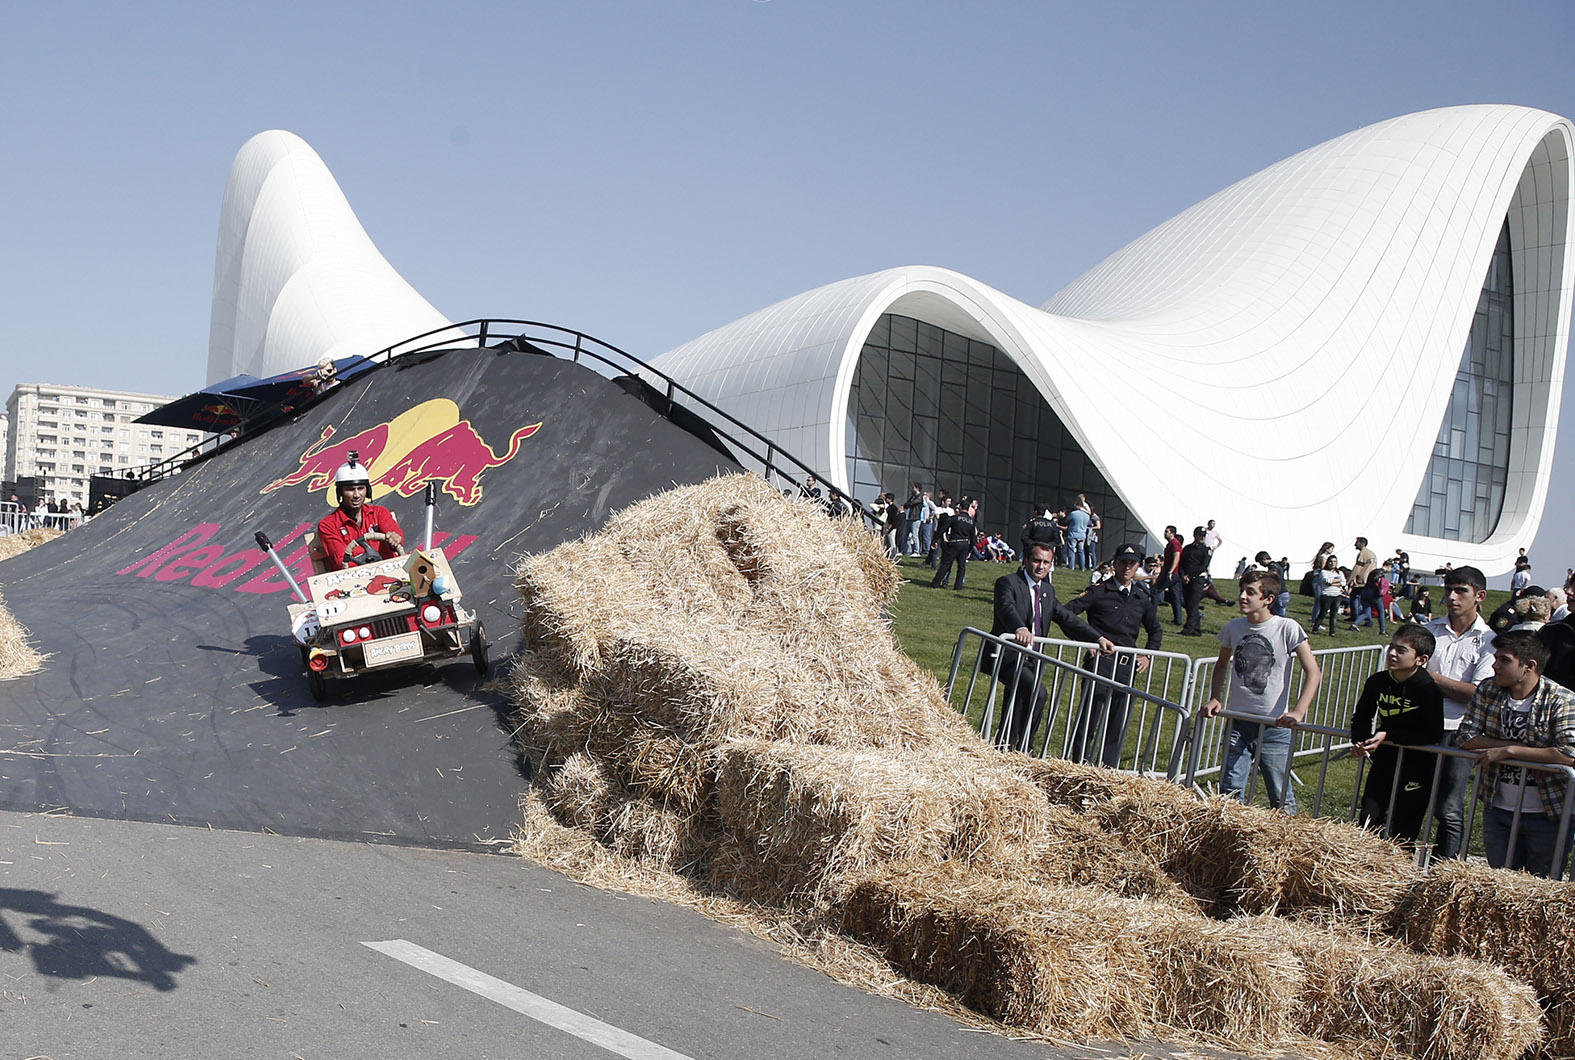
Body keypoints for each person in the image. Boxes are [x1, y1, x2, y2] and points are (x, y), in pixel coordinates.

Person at [1201, 569, 1321, 812]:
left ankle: (1288, 843)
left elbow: (1314, 671)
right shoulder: (1233, 628)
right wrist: (1215, 697)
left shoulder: (1287, 628)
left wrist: (1299, 711)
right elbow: (1222, 665)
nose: (1243, 597)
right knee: (1230, 791)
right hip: (1239, 722)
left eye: (1251, 592)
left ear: (1268, 599)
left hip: (1276, 725)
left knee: (1280, 795)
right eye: (1242, 591)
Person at [1458, 631, 1575, 878]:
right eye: (1496, 658)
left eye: (1504, 660)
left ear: (1529, 666)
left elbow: (1569, 754)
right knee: (1501, 884)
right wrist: (1509, 746)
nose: (1495, 665)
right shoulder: (1488, 690)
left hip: (1546, 813)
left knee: (1540, 887)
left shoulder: (1561, 699)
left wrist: (1510, 751)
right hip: (1498, 807)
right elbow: (1466, 735)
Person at [988, 543, 1110, 752]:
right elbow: (1005, 607)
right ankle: (1026, 746)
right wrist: (1019, 627)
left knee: (1017, 699)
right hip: (1007, 655)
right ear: (1026, 560)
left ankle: (1006, 745)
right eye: (1036, 560)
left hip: (1031, 658)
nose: (1041, 566)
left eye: (1046, 562)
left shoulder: (1047, 590)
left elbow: (1066, 618)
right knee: (1037, 692)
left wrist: (1097, 638)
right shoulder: (1008, 583)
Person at [1065, 542, 1163, 767]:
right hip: (1101, 661)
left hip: (1127, 666)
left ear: (1138, 566)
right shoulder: (1099, 592)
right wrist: (1085, 640)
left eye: (1132, 563)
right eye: (1122, 563)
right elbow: (1066, 612)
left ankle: (1109, 767)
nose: (1127, 567)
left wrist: (1148, 655)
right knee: (1090, 715)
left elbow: (1155, 630)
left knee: (1118, 719)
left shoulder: (1141, 597)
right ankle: (1079, 763)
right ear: (1114, 564)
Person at [1423, 565, 1497, 861]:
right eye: (1448, 590)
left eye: (1461, 591)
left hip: (1461, 730)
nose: (1452, 597)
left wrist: (1428, 678)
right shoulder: (1429, 631)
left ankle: (1447, 868)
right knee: (1411, 798)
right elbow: (1406, 676)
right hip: (1423, 724)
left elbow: (1477, 693)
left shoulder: (1490, 640)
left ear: (1479, 596)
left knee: (1449, 808)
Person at [1350, 623, 1444, 841]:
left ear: (1421, 659)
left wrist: (1389, 735)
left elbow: (1432, 733)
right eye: (1391, 646)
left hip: (1417, 766)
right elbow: (1362, 716)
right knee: (1368, 820)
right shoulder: (1378, 681)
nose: (1391, 653)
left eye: (1401, 650)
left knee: (1404, 827)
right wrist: (1360, 742)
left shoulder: (1428, 689)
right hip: (1384, 761)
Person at [316, 453, 405, 570]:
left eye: (361, 488)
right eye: (350, 489)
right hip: (352, 583)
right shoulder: (328, 525)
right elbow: (342, 561)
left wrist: (394, 539)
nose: (357, 495)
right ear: (340, 492)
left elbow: (398, 538)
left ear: (367, 491)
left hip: (391, 576)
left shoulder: (379, 513)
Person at [930, 497, 978, 590]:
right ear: (968, 509)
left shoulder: (954, 518)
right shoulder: (971, 521)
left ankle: (935, 583)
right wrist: (970, 549)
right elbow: (973, 537)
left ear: (960, 508)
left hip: (954, 543)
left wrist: (935, 540)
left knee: (945, 564)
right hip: (965, 544)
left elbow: (943, 529)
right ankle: (958, 586)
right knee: (961, 566)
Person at [1178, 526, 1212, 636]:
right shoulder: (1187, 548)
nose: (1202, 538)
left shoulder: (1206, 550)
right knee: (1188, 603)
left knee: (1193, 603)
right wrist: (1183, 575)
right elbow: (1182, 563)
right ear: (1195, 535)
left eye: (1203, 536)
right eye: (1200, 535)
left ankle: (1189, 628)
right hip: (1186, 579)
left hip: (1197, 579)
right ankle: (1196, 629)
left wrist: (1190, 576)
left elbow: (1203, 566)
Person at [1158, 525, 1185, 625]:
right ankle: (1178, 620)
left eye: (1166, 532)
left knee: (1155, 591)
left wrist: (1170, 571)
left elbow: (1176, 557)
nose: (1164, 534)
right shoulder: (1170, 544)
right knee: (1175, 597)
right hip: (1173, 573)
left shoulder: (1174, 544)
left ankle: (1151, 615)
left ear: (1172, 533)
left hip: (1172, 574)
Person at [1313, 556, 1345, 635]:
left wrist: (1334, 582)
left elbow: (1344, 582)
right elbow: (1327, 581)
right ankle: (1315, 628)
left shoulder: (1339, 572)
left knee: (1333, 615)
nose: (1332, 563)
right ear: (1327, 562)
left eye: (1334, 561)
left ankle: (1332, 632)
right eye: (1330, 561)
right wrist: (1338, 581)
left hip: (1337, 595)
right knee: (1323, 613)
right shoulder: (1323, 572)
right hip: (1327, 595)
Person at [1063, 502, 1091, 571]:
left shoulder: (1073, 513)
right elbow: (1088, 524)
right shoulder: (1087, 516)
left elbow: (1067, 521)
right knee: (1081, 551)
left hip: (1073, 534)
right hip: (1082, 535)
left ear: (1078, 506)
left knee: (1071, 550)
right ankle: (1082, 567)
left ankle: (1071, 566)